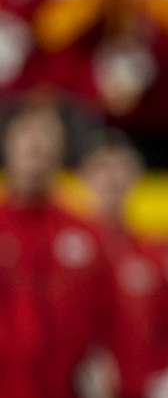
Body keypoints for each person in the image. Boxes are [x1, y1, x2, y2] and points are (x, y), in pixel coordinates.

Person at [0, 101, 120, 398]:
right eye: (26, 133)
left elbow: (112, 316)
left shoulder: (88, 233)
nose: (36, 143)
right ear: (8, 142)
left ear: (62, 147)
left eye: (46, 134)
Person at [79, 131, 168, 398]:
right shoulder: (67, 247)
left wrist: (162, 378)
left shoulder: (155, 257)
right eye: (102, 169)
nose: (112, 179)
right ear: (85, 177)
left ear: (135, 179)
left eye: (121, 169)